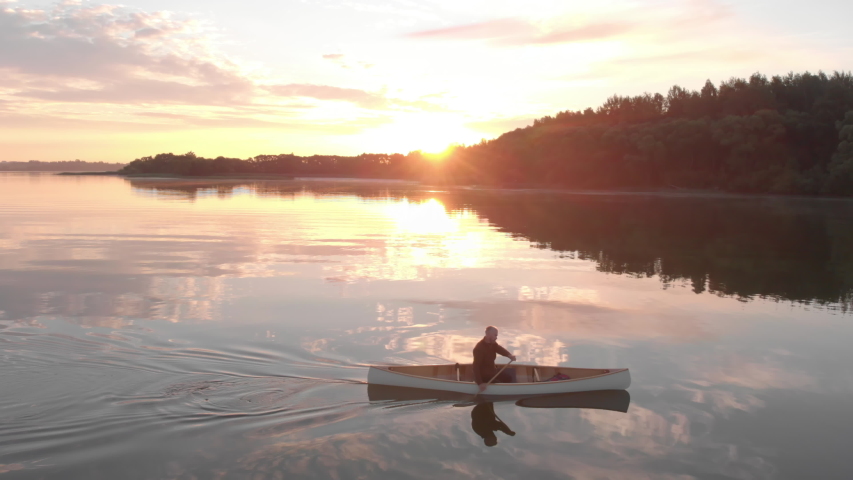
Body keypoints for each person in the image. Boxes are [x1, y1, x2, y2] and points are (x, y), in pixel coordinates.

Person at [473, 326, 517, 393]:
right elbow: (476, 366)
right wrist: (480, 383)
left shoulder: (492, 343)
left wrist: (509, 355)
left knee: (508, 378)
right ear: (488, 334)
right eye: (495, 335)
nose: (496, 337)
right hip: (485, 377)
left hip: (493, 372)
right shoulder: (479, 348)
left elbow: (499, 349)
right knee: (501, 385)